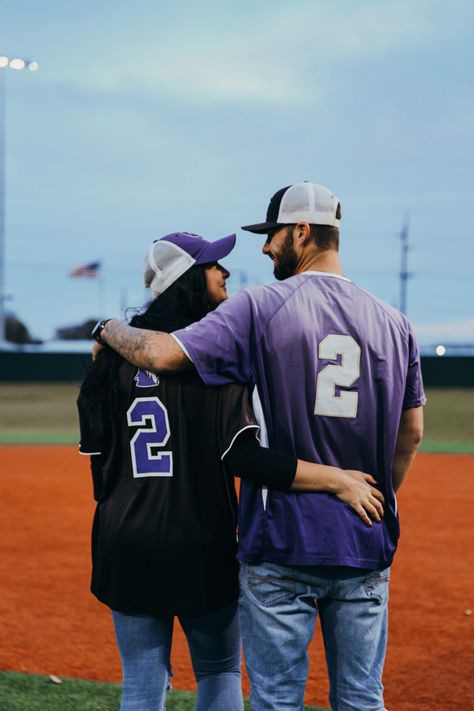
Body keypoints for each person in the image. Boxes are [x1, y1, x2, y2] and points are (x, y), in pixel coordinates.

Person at [94, 183, 425, 711]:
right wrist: (367, 495)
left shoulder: (261, 307)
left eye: (271, 235)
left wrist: (106, 326)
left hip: (278, 539)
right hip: (362, 537)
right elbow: (411, 435)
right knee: (362, 697)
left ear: (299, 231)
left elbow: (157, 356)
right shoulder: (396, 322)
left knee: (272, 698)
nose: (265, 248)